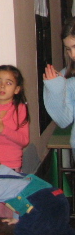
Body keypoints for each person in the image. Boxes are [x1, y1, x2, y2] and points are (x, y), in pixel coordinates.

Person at [0, 148, 74, 235]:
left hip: (41, 208)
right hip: (57, 197)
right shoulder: (5, 172)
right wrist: (16, 218)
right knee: (60, 229)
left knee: (25, 231)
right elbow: (19, 195)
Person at [43, 17, 75, 152]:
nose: (73, 54)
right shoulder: (66, 75)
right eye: (68, 49)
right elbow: (64, 121)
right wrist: (56, 90)